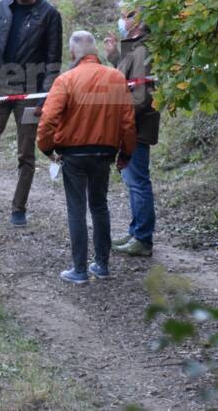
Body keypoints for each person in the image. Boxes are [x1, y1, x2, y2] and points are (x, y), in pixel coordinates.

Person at [37, 31, 137, 284]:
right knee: (100, 205)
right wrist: (126, 152)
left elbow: (48, 119)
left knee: (76, 208)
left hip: (73, 153)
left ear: (72, 53)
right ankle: (102, 265)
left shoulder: (66, 80)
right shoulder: (116, 78)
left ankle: (79, 269)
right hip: (104, 152)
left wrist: (47, 148)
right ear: (95, 52)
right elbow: (128, 121)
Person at [0, 0, 63, 226]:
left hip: (30, 92)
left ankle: (19, 208)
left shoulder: (49, 14)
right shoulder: (1, 6)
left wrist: (45, 95)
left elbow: (53, 61)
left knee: (26, 152)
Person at [105, 3, 161, 257]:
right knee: (132, 181)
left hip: (135, 128)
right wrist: (115, 57)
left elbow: (139, 97)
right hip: (131, 127)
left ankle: (142, 238)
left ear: (136, 21)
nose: (120, 21)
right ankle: (136, 231)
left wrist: (119, 119)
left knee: (137, 182)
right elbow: (126, 79)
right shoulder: (134, 49)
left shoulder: (142, 51)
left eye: (124, 17)